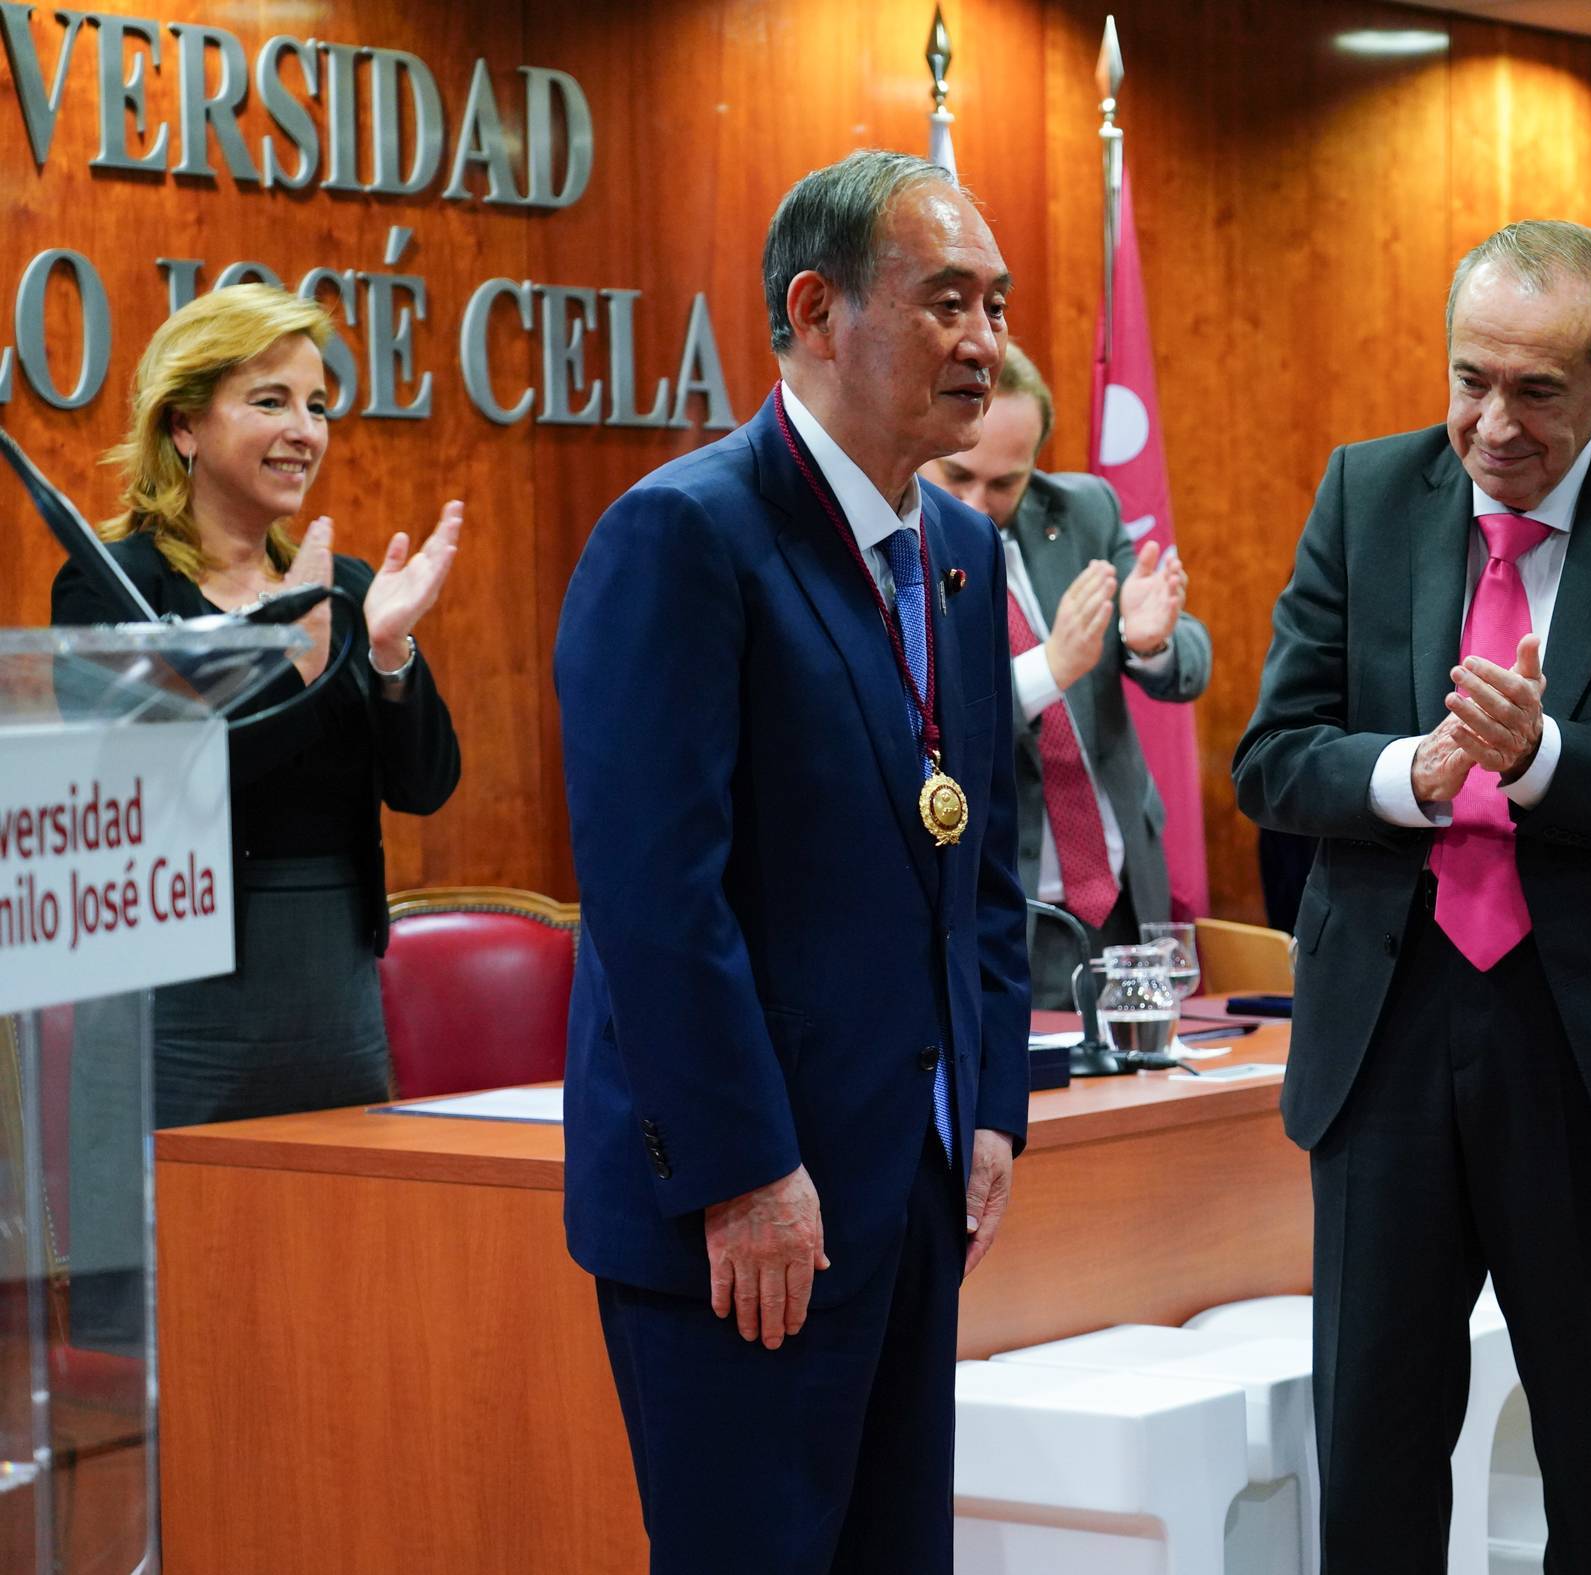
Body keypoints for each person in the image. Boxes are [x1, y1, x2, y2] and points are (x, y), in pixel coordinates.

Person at [1233, 220, 1591, 1570]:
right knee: (1369, 1455)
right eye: (1468, 378)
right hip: (1388, 1034)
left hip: (1588, 1050)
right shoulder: (1365, 495)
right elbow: (1271, 757)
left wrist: (1538, 756)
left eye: (1536, 389)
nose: (1493, 423)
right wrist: (1413, 771)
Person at [553, 150, 1030, 1574]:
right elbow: (656, 901)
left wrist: (990, 1096)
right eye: (945, 301)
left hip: (913, 1188)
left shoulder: (956, 545)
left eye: (995, 304)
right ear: (815, 311)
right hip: (747, 1219)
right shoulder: (685, 532)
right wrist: (746, 1168)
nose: (986, 341)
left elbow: (981, 855)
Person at [51, 282, 463, 1129]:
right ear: (185, 426)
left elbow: (423, 786)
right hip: (178, 1002)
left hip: (333, 993)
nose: (304, 430)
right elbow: (154, 790)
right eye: (269, 401)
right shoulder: (114, 585)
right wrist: (298, 663)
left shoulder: (341, 588)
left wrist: (388, 653)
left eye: (316, 405)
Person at [922, 341, 1208, 1004]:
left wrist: (1149, 641)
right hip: (1013, 911)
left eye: (1004, 483)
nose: (976, 502)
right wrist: (1050, 670)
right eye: (958, 475)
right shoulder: (902, 546)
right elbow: (931, 718)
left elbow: (1187, 659)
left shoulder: (1084, 509)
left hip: (1126, 899)